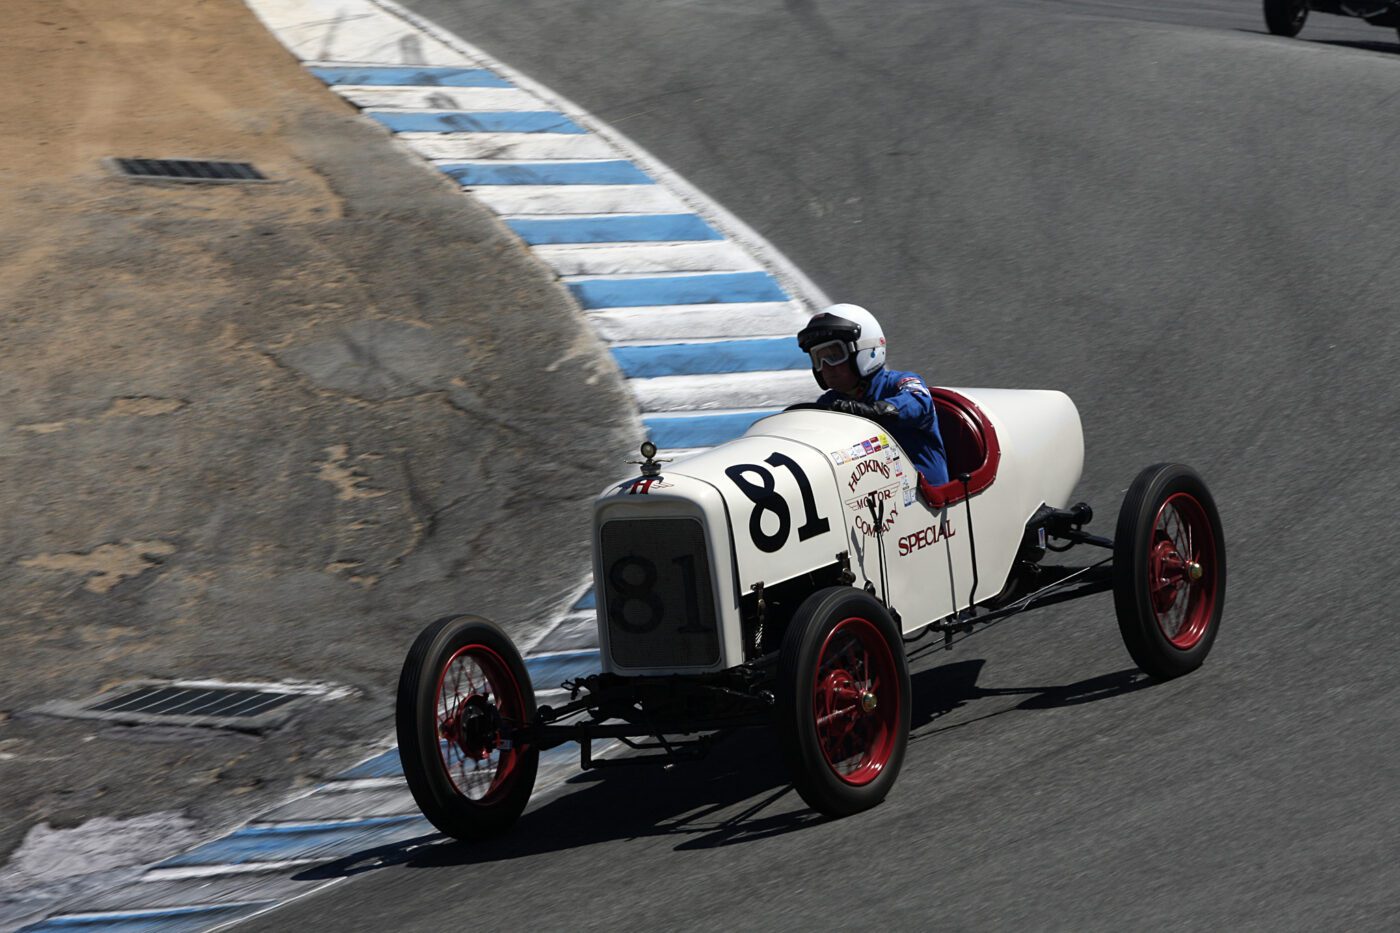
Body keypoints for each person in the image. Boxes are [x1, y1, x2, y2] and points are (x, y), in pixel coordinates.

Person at [796, 304, 949, 486]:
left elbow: (918, 402)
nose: (826, 366)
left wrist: (874, 411)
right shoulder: (828, 403)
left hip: (924, 502)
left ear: (866, 351)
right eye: (818, 358)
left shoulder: (900, 383)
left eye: (834, 354)